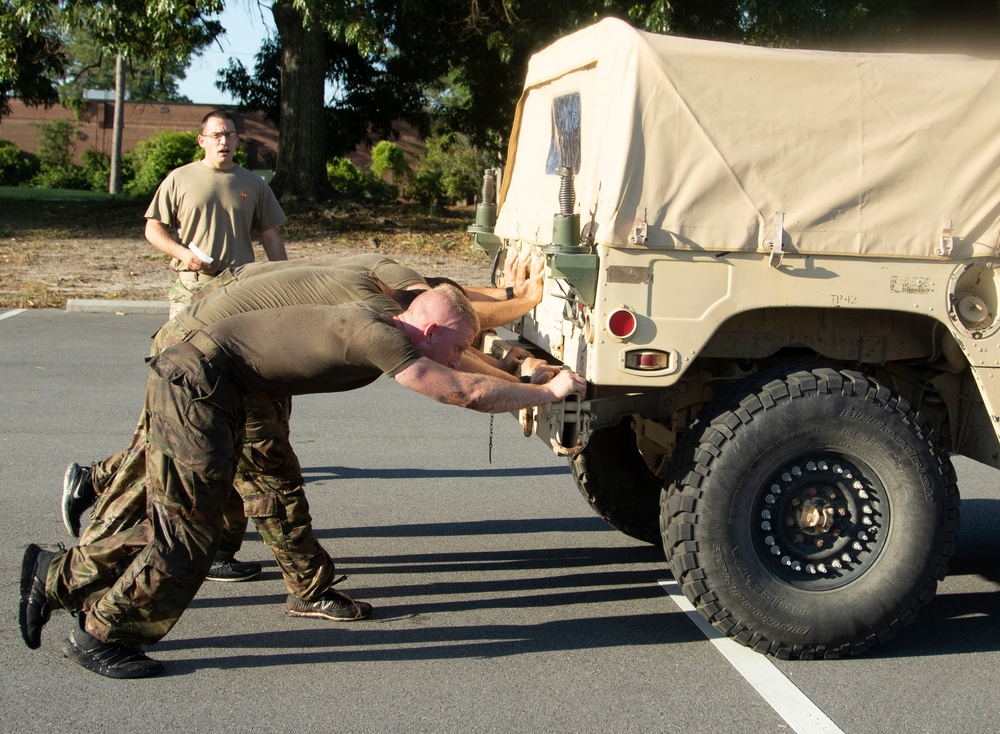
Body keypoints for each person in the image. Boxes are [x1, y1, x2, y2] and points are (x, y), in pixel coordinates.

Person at [20, 285, 585, 679]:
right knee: (191, 534)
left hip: (222, 388)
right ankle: (101, 634)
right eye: (458, 345)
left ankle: (56, 577)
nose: (461, 356)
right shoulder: (382, 339)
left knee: (196, 518)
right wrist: (548, 394)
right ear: (430, 327)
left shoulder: (386, 314)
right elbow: (463, 391)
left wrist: (517, 368)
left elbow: (463, 372)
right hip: (196, 386)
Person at [63, 108, 291, 582]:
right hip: (190, 304)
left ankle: (97, 482)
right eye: (216, 135)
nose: (224, 141)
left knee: (219, 421)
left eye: (230, 134)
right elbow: (153, 228)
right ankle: (101, 488)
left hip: (241, 304)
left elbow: (271, 237)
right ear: (201, 140)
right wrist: (183, 253)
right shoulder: (180, 179)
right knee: (182, 416)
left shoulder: (254, 183)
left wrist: (284, 283)